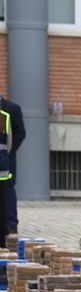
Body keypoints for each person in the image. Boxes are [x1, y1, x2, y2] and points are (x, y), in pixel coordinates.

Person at [0, 87, 25, 235]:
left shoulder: (12, 109)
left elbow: (20, 133)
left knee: (8, 192)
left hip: (5, 161)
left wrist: (8, 153)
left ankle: (10, 225)